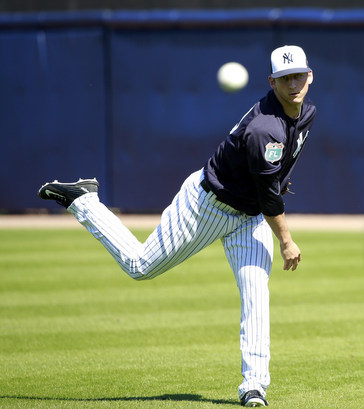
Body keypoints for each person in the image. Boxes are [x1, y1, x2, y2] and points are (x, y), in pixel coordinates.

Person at [38, 44, 316, 407]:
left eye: (298, 75)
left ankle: (254, 387)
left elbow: (276, 171)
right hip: (207, 206)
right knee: (140, 266)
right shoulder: (264, 130)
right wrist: (287, 241)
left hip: (247, 219)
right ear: (272, 82)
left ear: (310, 75)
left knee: (256, 296)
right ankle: (83, 200)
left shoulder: (305, 113)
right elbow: (269, 198)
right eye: (284, 78)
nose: (293, 83)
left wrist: (275, 180)